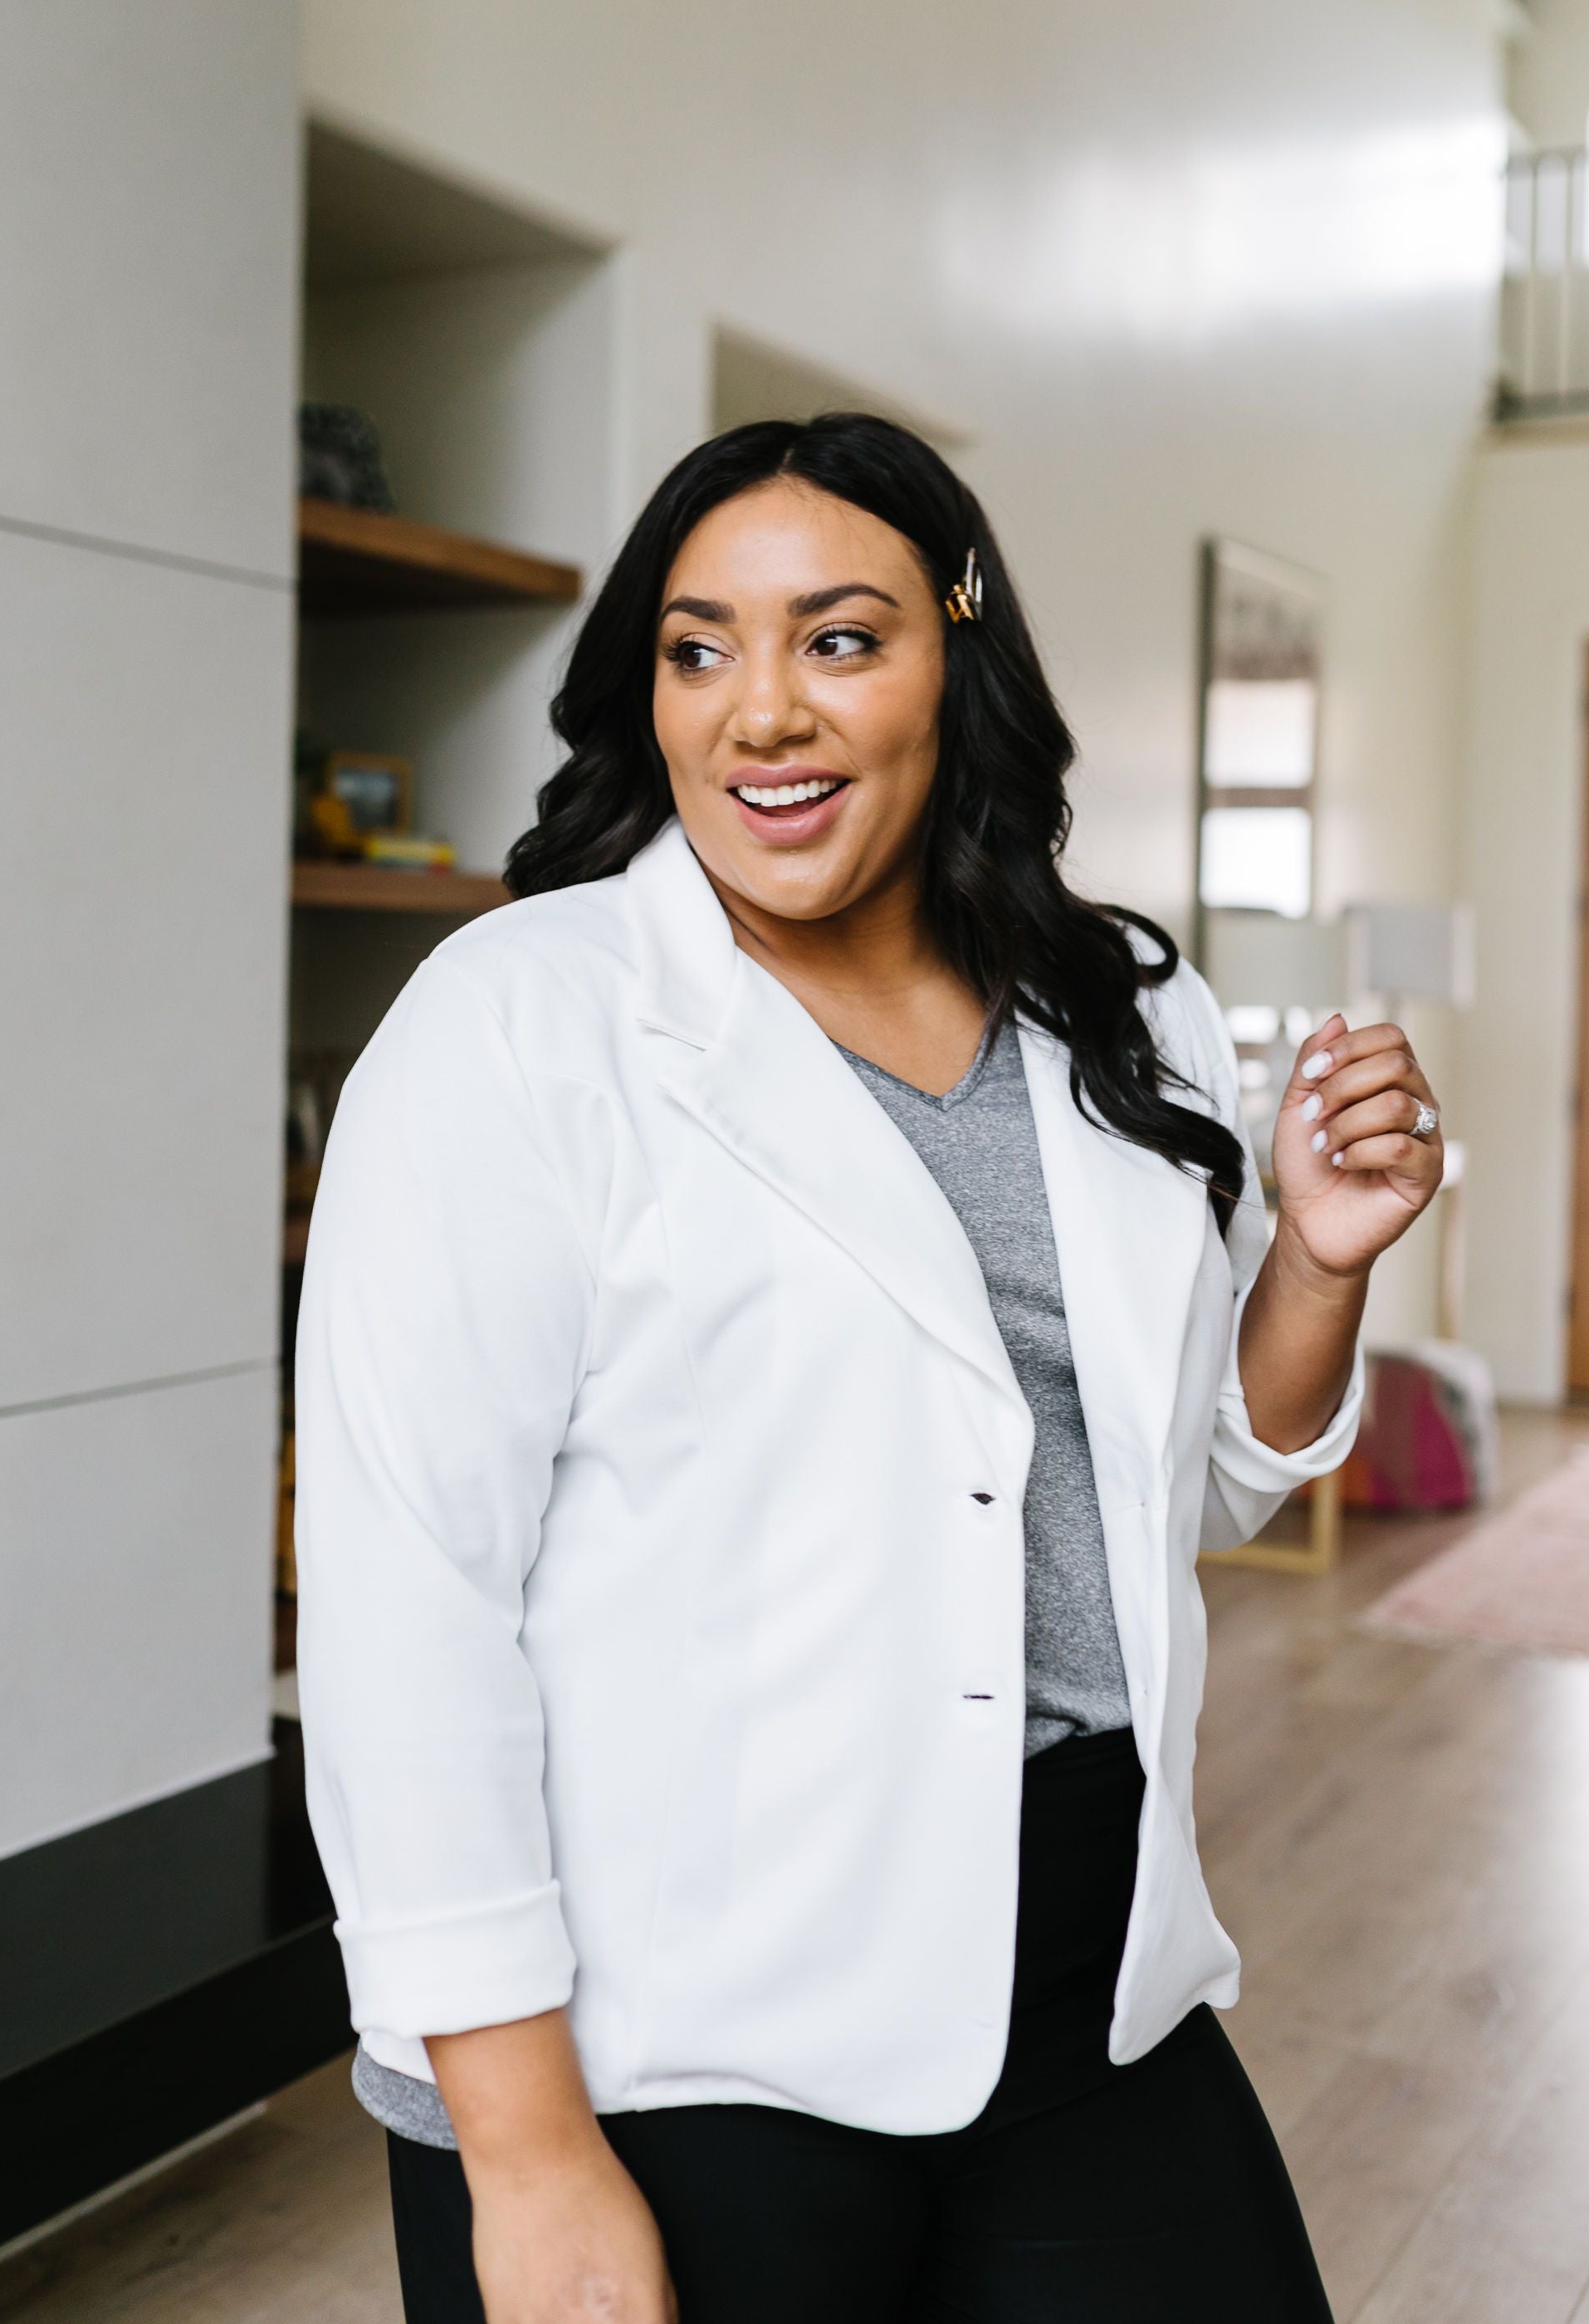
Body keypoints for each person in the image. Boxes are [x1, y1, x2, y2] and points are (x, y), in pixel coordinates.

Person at [296, 414, 1443, 2323]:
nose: (762, 712)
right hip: (678, 2023)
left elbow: (1179, 1485)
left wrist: (1315, 1261)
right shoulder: (517, 1024)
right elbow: (408, 1610)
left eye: (837, 638)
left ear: (957, 653)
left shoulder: (1119, 1001)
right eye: (696, 647)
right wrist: (523, 2148)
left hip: (1091, 1969)